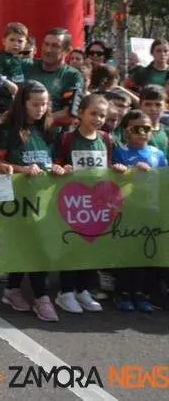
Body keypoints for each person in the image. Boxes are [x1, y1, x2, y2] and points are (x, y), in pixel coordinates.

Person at [0, 81, 68, 322]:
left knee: (37, 244)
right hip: (18, 198)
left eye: (44, 104)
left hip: (43, 198)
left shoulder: (49, 129)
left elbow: (55, 160)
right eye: (35, 104)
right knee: (29, 245)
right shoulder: (6, 128)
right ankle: (41, 296)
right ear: (22, 103)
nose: (40, 109)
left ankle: (13, 289)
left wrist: (58, 167)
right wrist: (20, 169)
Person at [53, 93, 125, 314]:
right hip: (72, 203)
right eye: (93, 114)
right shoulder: (67, 138)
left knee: (91, 246)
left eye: (102, 115)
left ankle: (82, 289)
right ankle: (65, 292)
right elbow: (56, 163)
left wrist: (117, 169)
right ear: (81, 113)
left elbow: (109, 164)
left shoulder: (105, 139)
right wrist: (60, 169)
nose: (98, 119)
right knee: (72, 246)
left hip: (97, 204)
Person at [111, 109, 167, 312]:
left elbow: (164, 180)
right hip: (128, 209)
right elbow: (113, 174)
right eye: (137, 129)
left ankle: (141, 293)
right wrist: (125, 170)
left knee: (146, 253)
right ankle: (123, 292)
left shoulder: (157, 153)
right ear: (127, 131)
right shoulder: (120, 151)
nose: (142, 132)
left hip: (151, 209)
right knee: (127, 254)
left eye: (146, 128)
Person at [24, 28, 83, 130]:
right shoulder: (27, 66)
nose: (48, 50)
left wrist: (37, 119)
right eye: (46, 44)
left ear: (67, 50)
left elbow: (70, 113)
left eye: (55, 46)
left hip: (52, 139)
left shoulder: (72, 76)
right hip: (22, 132)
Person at [139, 85, 169, 155]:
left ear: (165, 106)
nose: (153, 109)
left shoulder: (167, 131)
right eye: (148, 104)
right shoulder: (132, 131)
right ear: (140, 106)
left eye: (158, 105)